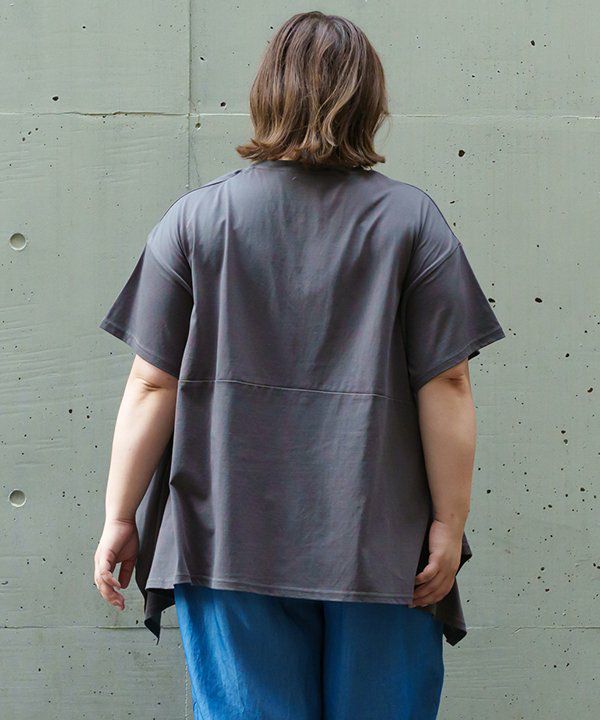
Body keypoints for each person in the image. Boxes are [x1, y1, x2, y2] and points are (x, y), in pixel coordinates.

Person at [93, 11, 506, 720]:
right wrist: (447, 521)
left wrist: (118, 516)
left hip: (225, 538)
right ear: (369, 99)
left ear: (268, 93)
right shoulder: (414, 223)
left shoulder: (195, 221)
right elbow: (447, 380)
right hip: (381, 543)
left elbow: (153, 382)